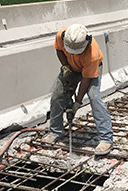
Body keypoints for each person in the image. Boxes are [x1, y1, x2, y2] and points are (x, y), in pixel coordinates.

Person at [43, 23, 113, 155]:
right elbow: (58, 50)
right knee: (57, 96)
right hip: (70, 67)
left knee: (94, 97)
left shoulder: (93, 54)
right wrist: (66, 68)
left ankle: (106, 139)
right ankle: (55, 131)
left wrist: (77, 103)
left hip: (90, 69)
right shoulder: (62, 35)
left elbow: (85, 80)